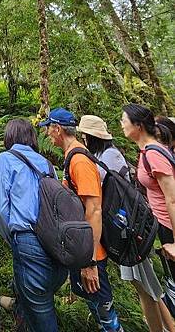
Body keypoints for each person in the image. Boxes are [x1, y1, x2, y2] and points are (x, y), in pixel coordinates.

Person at [79, 115, 175, 332]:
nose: (83, 138)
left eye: (85, 134)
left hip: (129, 230)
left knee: (149, 286)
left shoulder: (110, 156)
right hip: (122, 229)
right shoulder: (101, 154)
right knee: (143, 285)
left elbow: (99, 187)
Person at [41, 107, 124, 332]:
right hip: (84, 249)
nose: (47, 134)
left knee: (105, 311)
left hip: (91, 253)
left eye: (48, 128)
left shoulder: (79, 160)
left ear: (57, 129)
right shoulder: (73, 156)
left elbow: (94, 210)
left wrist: (90, 261)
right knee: (95, 303)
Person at [0, 118, 68, 332]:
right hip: (53, 239)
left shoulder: (6, 159)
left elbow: (0, 208)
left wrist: (13, 237)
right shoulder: (45, 163)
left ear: (9, 137)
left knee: (41, 306)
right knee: (35, 299)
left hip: (26, 237)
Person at [121, 105, 175, 276]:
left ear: (139, 125)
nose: (121, 124)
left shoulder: (153, 154)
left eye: (124, 120)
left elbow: (172, 198)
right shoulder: (147, 151)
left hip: (169, 225)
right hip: (164, 224)